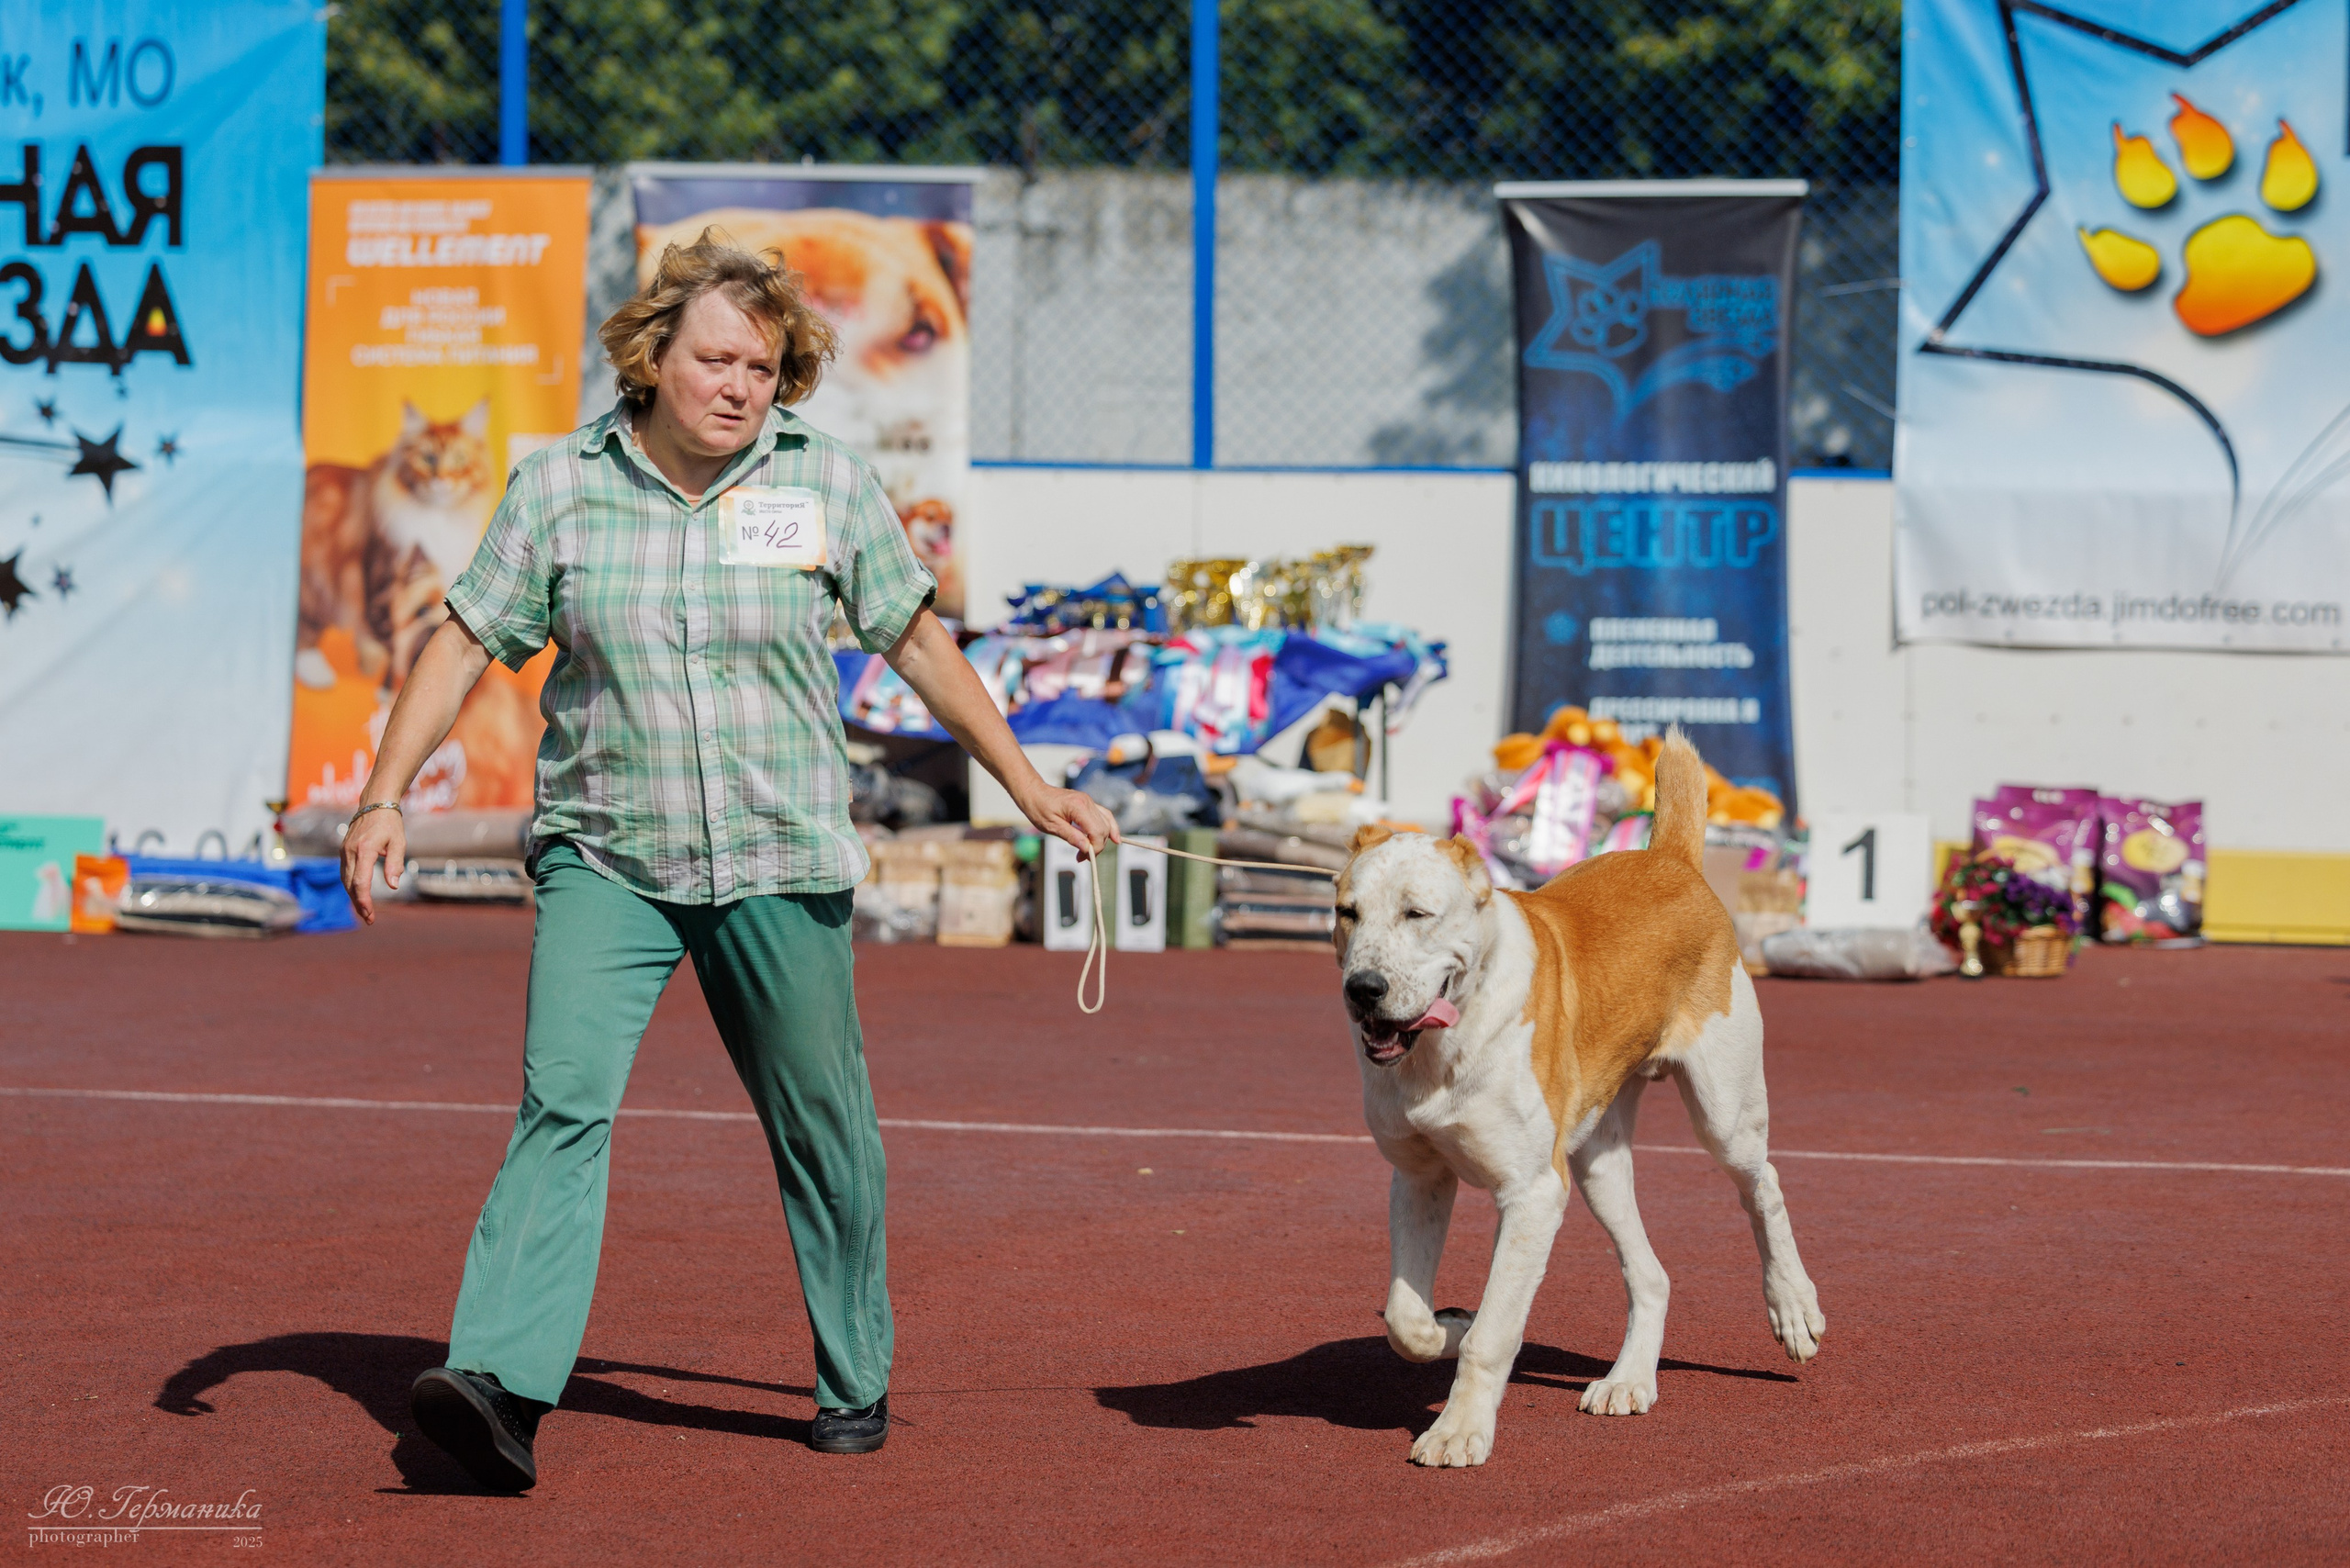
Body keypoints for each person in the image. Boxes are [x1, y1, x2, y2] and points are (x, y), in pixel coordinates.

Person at [339, 230, 1117, 1492]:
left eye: (761, 365)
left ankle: (853, 1370)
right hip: (610, 853)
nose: (739, 385)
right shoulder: (558, 487)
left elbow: (914, 643)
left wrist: (1026, 783)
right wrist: (383, 795)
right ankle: (497, 1386)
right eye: (714, 359)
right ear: (653, 358)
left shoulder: (822, 484)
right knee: (562, 1105)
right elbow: (464, 640)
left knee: (824, 1131)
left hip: (777, 854)